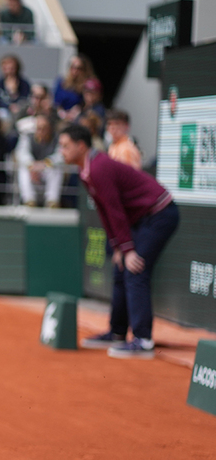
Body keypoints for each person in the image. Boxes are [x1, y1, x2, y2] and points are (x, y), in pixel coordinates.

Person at [59, 124, 180, 359]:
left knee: (135, 270)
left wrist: (129, 249)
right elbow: (105, 211)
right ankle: (117, 332)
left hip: (160, 214)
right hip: (142, 219)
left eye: (65, 146)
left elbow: (115, 210)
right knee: (121, 267)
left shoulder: (99, 167)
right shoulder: (87, 170)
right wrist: (119, 247)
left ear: (81, 146)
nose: (61, 151)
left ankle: (143, 340)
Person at [15, 113, 62, 208]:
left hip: (47, 169)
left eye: (44, 128)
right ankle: (29, 201)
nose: (41, 131)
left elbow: (61, 155)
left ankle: (52, 202)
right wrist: (31, 165)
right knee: (23, 169)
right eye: (39, 128)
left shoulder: (57, 138)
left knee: (56, 168)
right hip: (32, 170)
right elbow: (21, 153)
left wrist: (46, 163)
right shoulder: (27, 136)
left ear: (50, 128)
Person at [53, 55, 92, 122]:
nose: (75, 71)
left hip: (78, 118)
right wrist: (63, 114)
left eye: (79, 68)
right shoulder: (62, 82)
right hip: (61, 117)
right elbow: (56, 103)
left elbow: (88, 105)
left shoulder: (87, 85)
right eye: (73, 67)